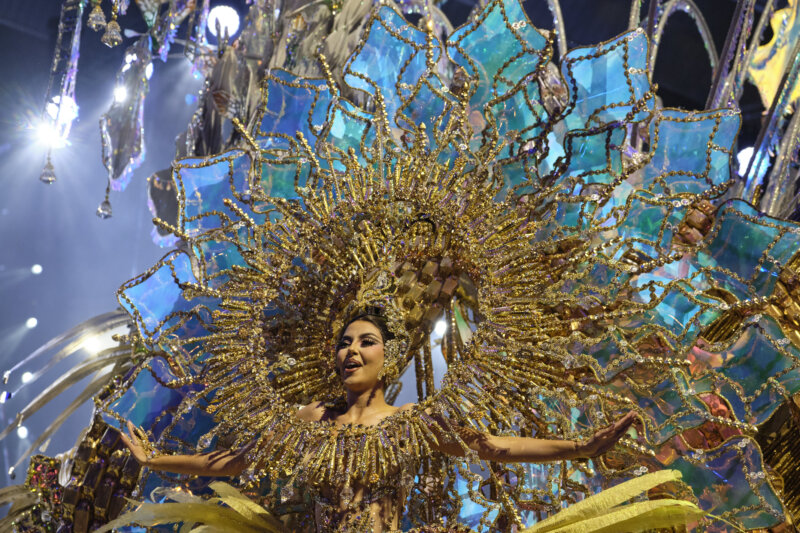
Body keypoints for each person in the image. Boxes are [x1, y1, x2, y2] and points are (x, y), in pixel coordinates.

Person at [121, 311, 637, 532]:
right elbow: (234, 461)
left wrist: (581, 448)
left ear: (387, 359)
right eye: (344, 342)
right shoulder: (311, 419)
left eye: (365, 341)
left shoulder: (412, 422)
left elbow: (492, 448)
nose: (351, 351)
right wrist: (154, 459)